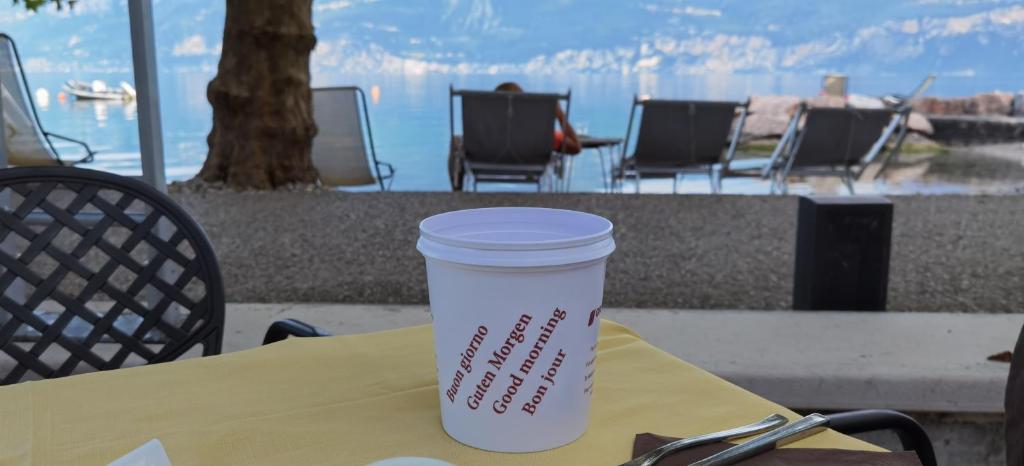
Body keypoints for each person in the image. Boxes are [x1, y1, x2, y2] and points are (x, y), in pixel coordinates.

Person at [448, 82, 581, 191]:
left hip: (484, 160)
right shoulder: (540, 135)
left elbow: (457, 144)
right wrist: (559, 115)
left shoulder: (481, 135)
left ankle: (456, 192)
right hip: (532, 163)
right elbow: (575, 147)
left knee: (455, 140)